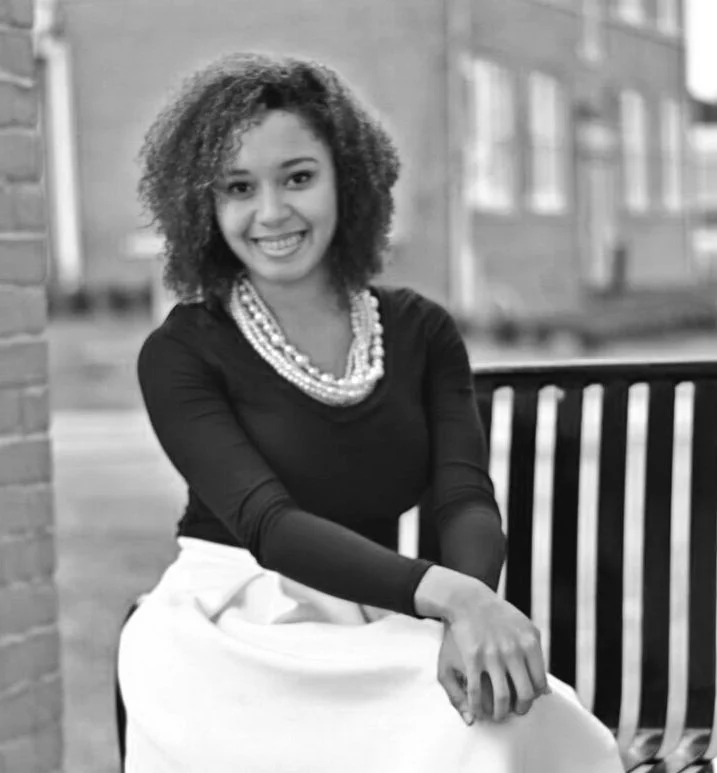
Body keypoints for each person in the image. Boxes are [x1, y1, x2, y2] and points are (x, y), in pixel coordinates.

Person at [117, 52, 623, 772]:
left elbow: (463, 496)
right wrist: (452, 598)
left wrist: (469, 605)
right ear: (204, 205)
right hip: (234, 635)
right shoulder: (182, 351)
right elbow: (270, 526)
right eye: (237, 187)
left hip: (377, 619)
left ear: (344, 180)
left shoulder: (418, 331)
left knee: (513, 720)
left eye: (297, 176)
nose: (271, 212)